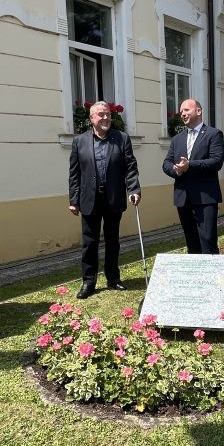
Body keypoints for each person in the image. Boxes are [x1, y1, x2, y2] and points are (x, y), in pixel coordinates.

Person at [68, 101, 141, 299]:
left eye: (108, 114)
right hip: (89, 199)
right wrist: (74, 200)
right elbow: (74, 174)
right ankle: (88, 281)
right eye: (101, 114)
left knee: (112, 241)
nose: (106, 117)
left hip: (113, 197)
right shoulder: (79, 141)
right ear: (91, 118)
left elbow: (130, 167)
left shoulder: (122, 139)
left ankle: (113, 277)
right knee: (89, 243)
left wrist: (134, 189)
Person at [162, 99, 224, 254]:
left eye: (186, 110)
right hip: (183, 198)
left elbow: (216, 162)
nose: (183, 114)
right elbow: (166, 163)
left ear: (198, 111)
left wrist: (190, 165)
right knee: (191, 242)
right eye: (181, 111)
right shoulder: (177, 139)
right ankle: (195, 276)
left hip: (205, 197)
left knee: (207, 241)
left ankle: (211, 277)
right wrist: (177, 170)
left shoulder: (213, 134)